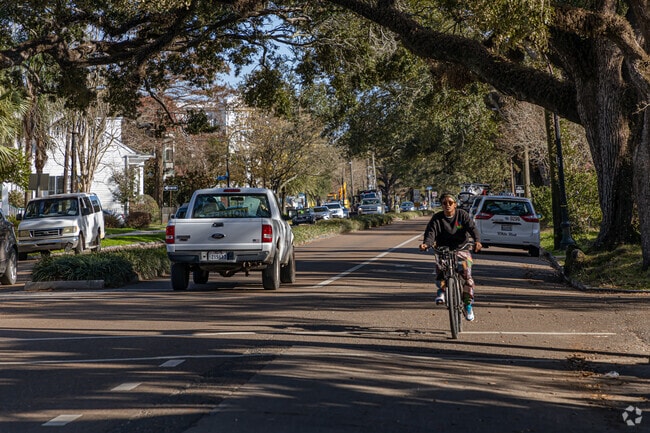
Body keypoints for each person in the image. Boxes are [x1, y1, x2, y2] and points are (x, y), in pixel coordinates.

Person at [419, 193, 482, 321]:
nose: (447, 205)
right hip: (443, 250)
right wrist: (426, 244)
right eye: (444, 203)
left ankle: (468, 304)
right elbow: (431, 233)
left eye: (450, 202)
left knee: (466, 274)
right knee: (441, 268)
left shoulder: (462, 215)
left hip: (461, 249)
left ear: (455, 204)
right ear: (441, 205)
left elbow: (472, 228)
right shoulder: (437, 218)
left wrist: (477, 241)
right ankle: (442, 291)